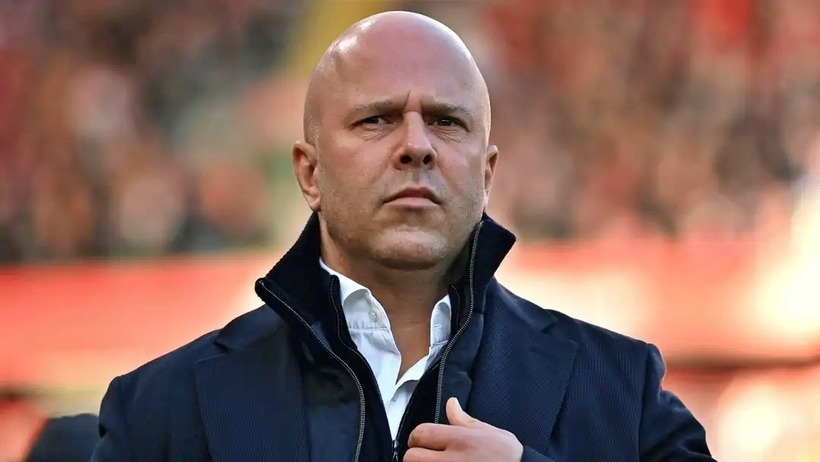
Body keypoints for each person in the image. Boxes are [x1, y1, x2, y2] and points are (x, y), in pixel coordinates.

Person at [92, 11, 713, 461]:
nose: (416, 145)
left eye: (445, 121)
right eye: (377, 119)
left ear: (487, 173)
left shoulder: (622, 388)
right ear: (309, 173)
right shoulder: (159, 411)